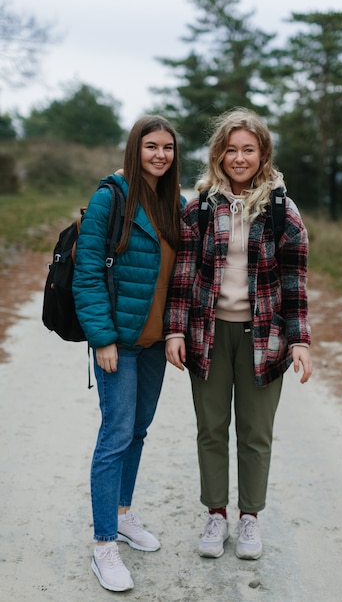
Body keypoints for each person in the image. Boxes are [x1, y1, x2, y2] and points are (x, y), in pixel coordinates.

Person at [164, 107, 312, 562]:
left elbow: (295, 281)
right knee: (211, 429)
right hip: (208, 335)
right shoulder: (199, 209)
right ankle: (216, 514)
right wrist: (175, 330)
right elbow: (183, 276)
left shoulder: (282, 209)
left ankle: (250, 518)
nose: (240, 157)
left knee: (255, 432)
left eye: (249, 149)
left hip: (264, 337)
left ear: (263, 153)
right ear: (219, 155)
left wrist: (300, 339)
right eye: (232, 149)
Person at [73, 115, 184, 592]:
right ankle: (103, 546)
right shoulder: (110, 198)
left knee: (137, 431)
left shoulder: (173, 204)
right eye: (151, 146)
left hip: (156, 342)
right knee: (115, 435)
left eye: (168, 148)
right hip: (119, 343)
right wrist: (101, 339)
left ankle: (122, 514)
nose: (160, 154)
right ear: (134, 150)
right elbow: (88, 273)